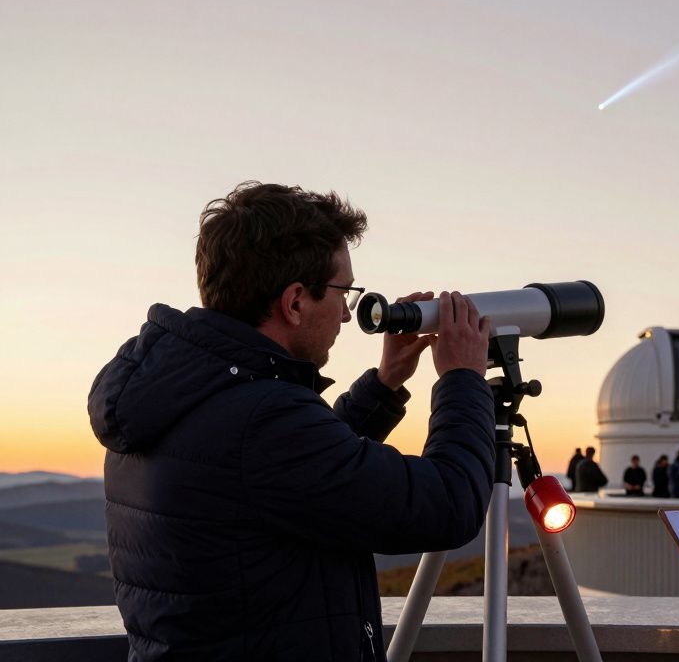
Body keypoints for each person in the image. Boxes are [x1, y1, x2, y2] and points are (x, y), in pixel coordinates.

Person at [88, 182, 495, 660]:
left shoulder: (179, 393)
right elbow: (448, 503)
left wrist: (385, 383)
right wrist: (462, 379)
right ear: (296, 301)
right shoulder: (263, 420)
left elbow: (304, 475)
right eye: (343, 291)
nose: (347, 314)